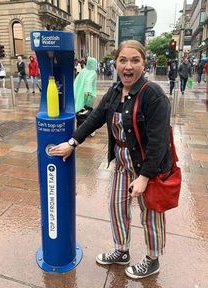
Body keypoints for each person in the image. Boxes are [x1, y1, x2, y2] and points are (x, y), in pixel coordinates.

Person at [48, 40, 172, 279]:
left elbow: (159, 142)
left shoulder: (153, 95)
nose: (128, 66)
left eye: (135, 60)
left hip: (149, 166)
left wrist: (145, 177)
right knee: (116, 208)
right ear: (116, 63)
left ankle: (153, 259)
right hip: (122, 163)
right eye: (123, 60)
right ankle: (121, 250)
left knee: (151, 214)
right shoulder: (115, 91)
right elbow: (95, 118)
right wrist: (73, 142)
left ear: (144, 64)